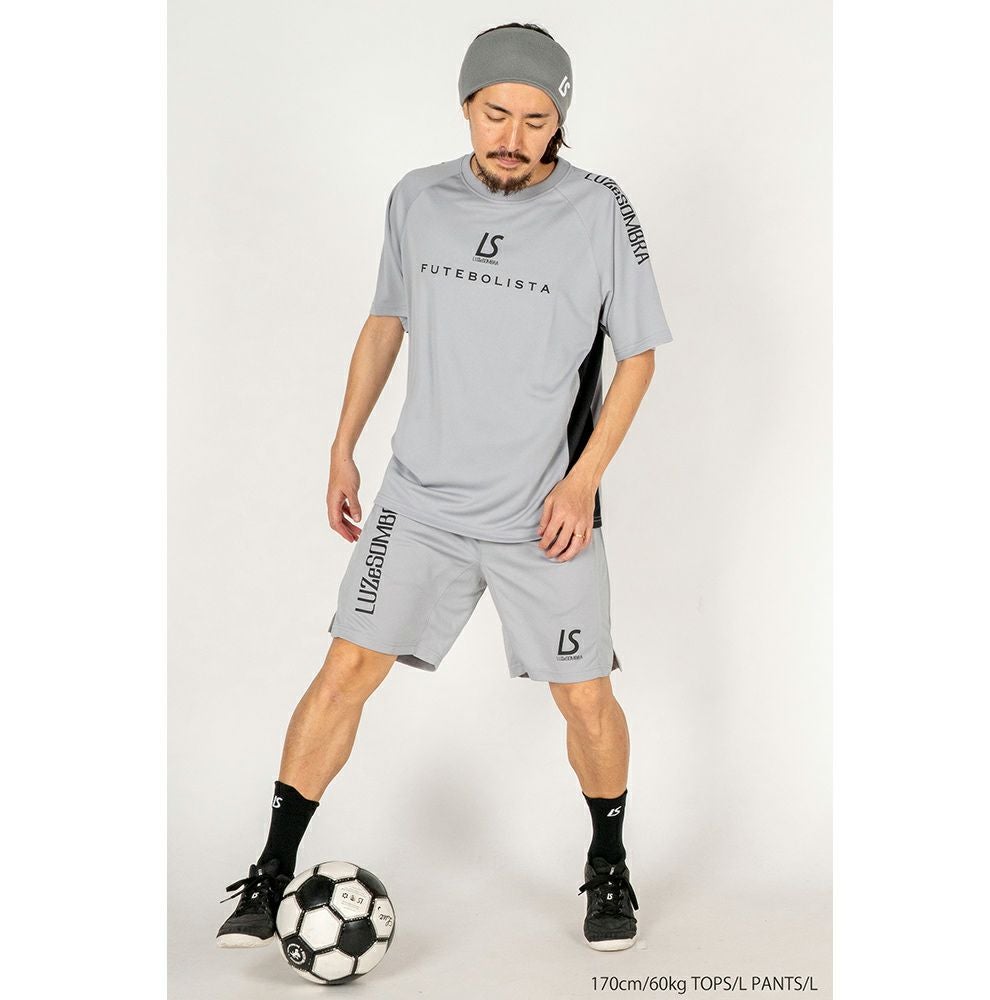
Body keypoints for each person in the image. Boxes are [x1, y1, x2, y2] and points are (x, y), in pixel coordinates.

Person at [217, 21, 673, 955]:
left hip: (543, 513)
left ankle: (608, 861)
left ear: (560, 122)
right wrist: (343, 446)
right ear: (467, 106)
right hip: (418, 502)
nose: (513, 136)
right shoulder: (417, 198)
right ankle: (269, 870)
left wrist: (583, 482)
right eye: (496, 112)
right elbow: (386, 321)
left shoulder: (600, 210)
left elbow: (638, 356)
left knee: (585, 699)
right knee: (344, 673)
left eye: (536, 120)